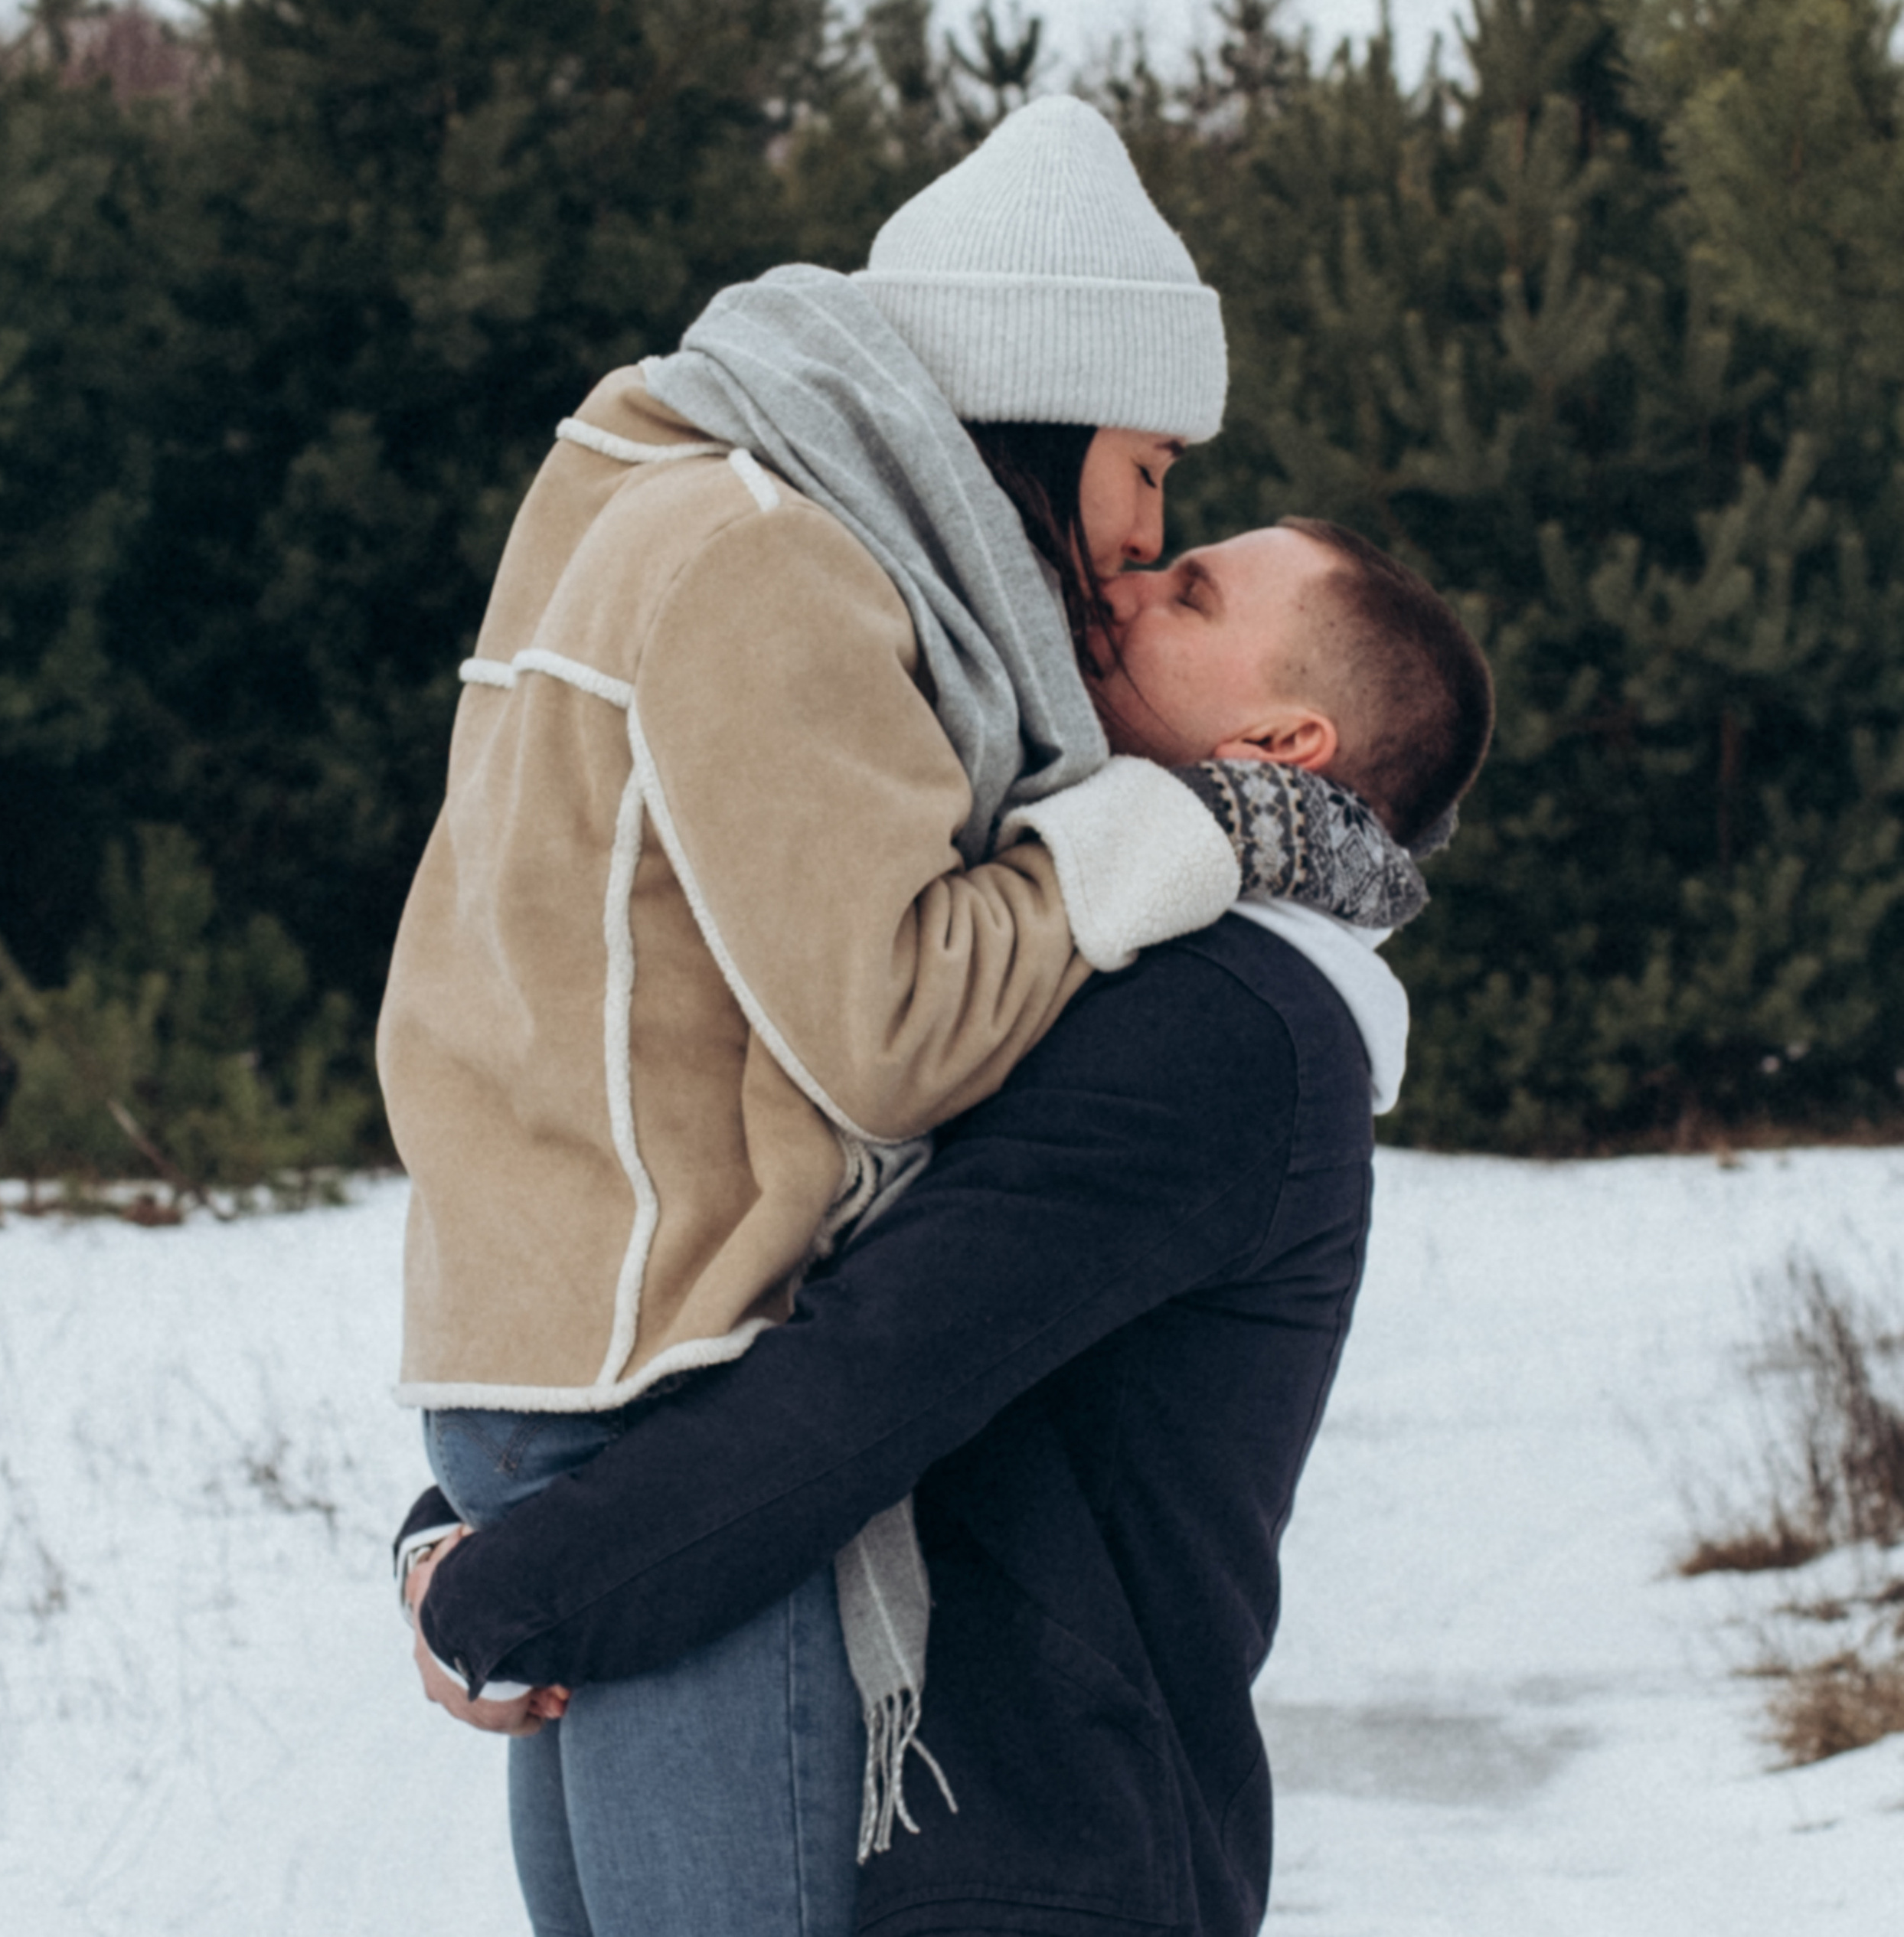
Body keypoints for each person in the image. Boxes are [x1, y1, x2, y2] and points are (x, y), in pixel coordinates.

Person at [377, 97, 1378, 1937]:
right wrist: (1156, 832)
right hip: (661, 1393)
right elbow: (896, 1037)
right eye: (1148, 472)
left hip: (580, 1389)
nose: (1141, 536)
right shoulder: (775, 558)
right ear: (1044, 401)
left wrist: (498, 1548)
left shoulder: (668, 501)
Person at [400, 518, 1494, 1937]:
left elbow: (874, 1367)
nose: (1125, 582)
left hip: (1033, 1840)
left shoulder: (1231, 1027)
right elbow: (794, 1265)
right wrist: (477, 1517)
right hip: (976, 1826)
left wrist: (508, 1587)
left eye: (1191, 592)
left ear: (1284, 739)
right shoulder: (1121, 962)